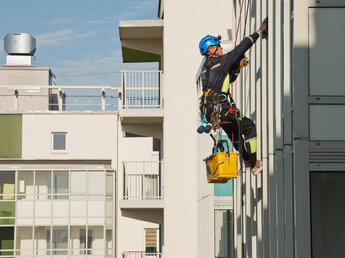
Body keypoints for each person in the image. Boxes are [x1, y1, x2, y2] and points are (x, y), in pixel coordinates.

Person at [199, 18, 268, 175]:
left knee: (235, 135)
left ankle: (246, 162)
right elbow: (242, 47)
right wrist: (258, 32)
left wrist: (236, 66)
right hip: (222, 109)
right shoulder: (222, 62)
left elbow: (225, 80)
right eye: (218, 46)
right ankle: (253, 164)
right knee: (249, 126)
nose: (221, 47)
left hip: (211, 113)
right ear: (211, 50)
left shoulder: (206, 69)